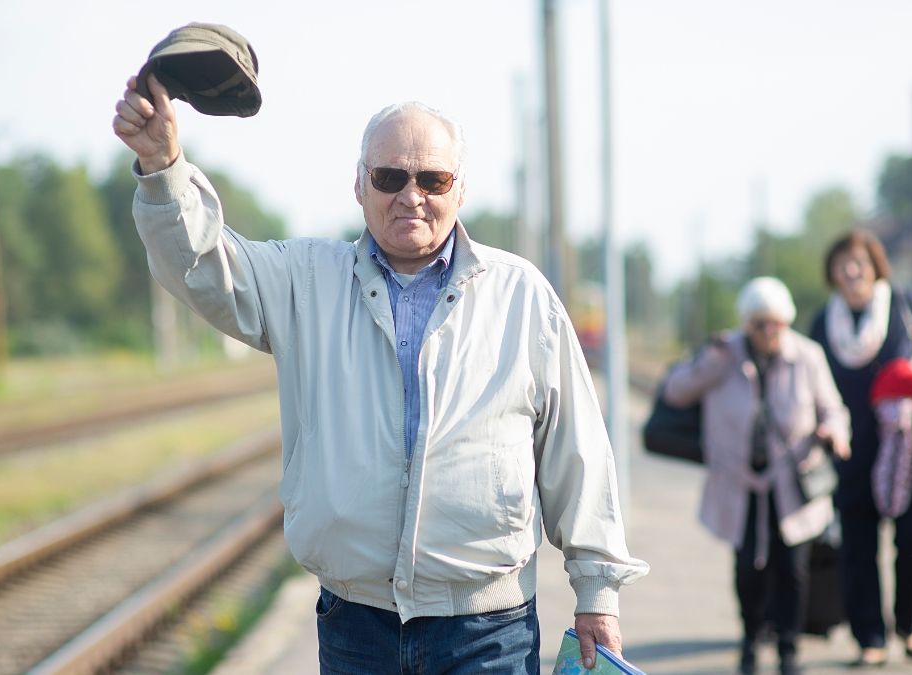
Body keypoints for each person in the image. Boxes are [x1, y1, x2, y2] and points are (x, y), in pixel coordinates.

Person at [112, 75, 648, 673]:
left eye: (432, 179)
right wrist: (164, 168)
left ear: (460, 188)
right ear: (360, 185)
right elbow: (203, 263)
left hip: (487, 629)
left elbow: (577, 450)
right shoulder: (306, 281)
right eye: (390, 177)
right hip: (357, 626)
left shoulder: (521, 295)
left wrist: (598, 593)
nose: (410, 196)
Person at [663, 277, 850, 675]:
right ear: (746, 322)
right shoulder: (723, 353)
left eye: (775, 323)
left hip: (792, 482)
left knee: (793, 569)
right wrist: (710, 362)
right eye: (758, 323)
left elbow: (834, 409)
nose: (768, 331)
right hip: (739, 485)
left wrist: (834, 432)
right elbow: (675, 392)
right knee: (749, 568)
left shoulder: (807, 356)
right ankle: (749, 641)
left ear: (787, 321)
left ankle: (788, 649)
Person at [808, 229, 912, 668]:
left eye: (860, 263)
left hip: (905, 450)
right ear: (832, 273)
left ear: (875, 268)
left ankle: (909, 625)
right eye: (843, 265)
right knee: (857, 548)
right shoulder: (823, 322)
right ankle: (870, 638)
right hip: (851, 452)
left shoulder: (904, 305)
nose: (852, 271)